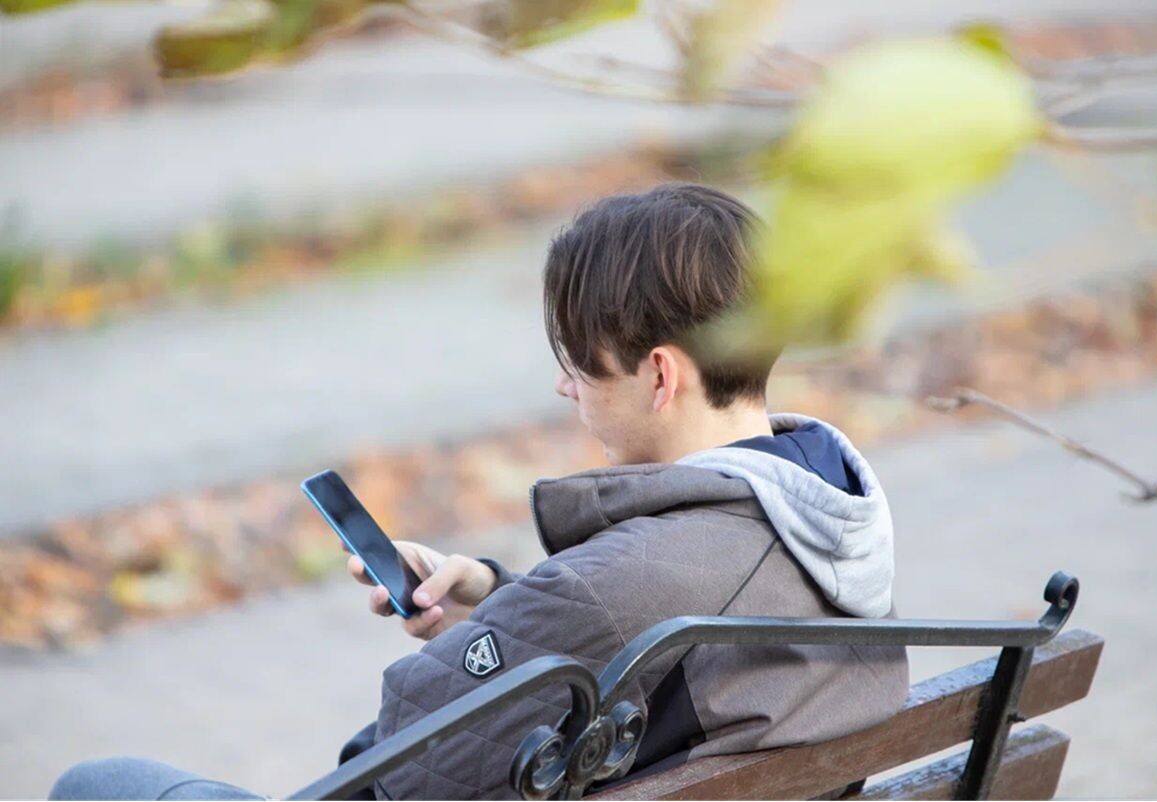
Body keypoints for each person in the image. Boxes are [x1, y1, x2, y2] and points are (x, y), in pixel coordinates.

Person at [50, 183, 908, 801]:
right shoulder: (827, 517)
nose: (565, 387)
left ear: (659, 375)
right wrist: (501, 603)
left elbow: (397, 761)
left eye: (580, 365)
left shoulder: (619, 583)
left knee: (101, 782)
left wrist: (509, 629)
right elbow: (662, 652)